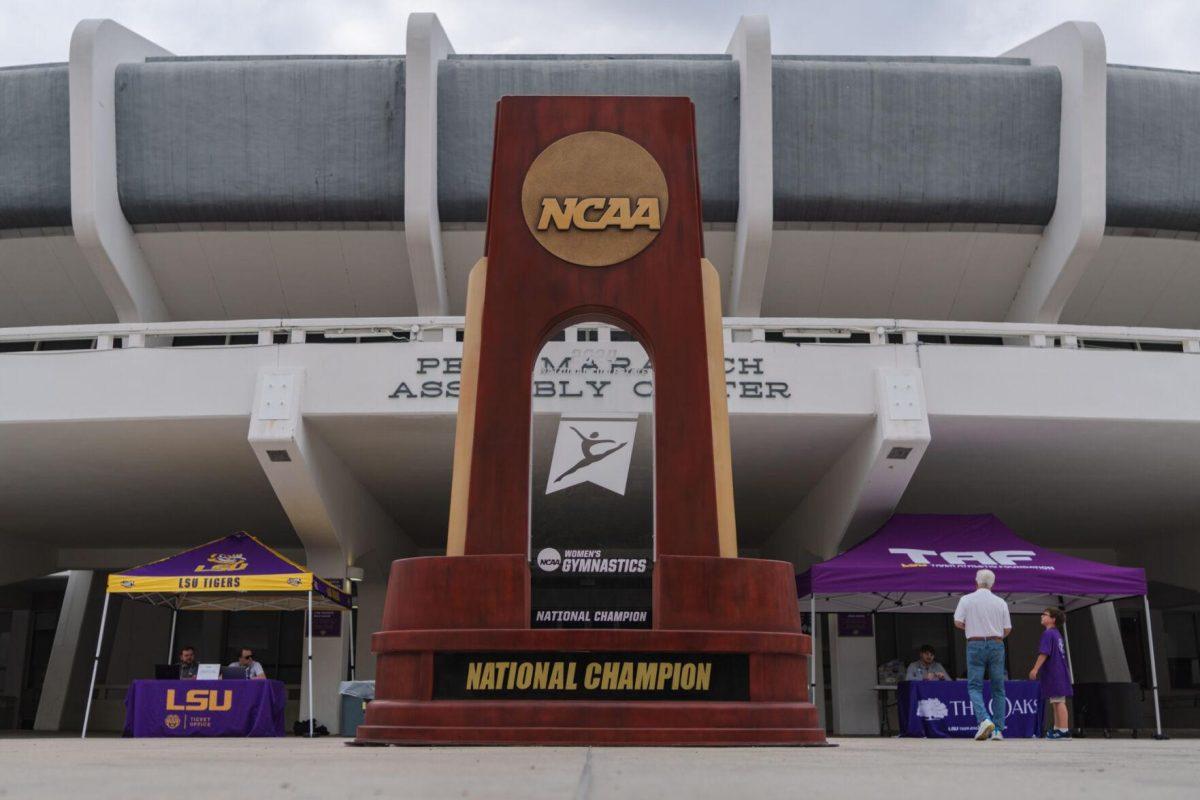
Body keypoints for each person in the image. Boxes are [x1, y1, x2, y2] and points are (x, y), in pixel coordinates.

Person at [953, 568, 1012, 741]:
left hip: (975, 643)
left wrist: (971, 628)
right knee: (998, 688)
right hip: (996, 643)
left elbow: (957, 622)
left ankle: (984, 719)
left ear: (976, 582)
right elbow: (1007, 628)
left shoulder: (966, 599)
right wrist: (995, 636)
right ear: (993, 584)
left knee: (974, 686)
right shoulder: (1001, 602)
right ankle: (998, 730)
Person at [1030, 607, 1073, 740]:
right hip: (1058, 671)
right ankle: (1058, 728)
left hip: (1055, 672)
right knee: (1056, 701)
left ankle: (1064, 730)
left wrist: (1035, 669)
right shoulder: (1056, 634)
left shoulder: (1048, 634)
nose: (1042, 616)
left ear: (1053, 619)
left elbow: (1044, 653)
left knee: (1059, 701)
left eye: (1045, 614)